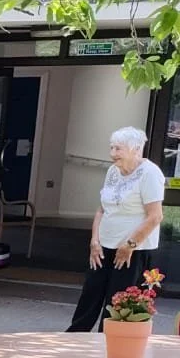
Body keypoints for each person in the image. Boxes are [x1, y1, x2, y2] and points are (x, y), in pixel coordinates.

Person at [67, 126, 164, 332]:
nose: (112, 154)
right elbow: (102, 209)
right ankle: (74, 338)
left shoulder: (150, 173)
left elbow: (155, 216)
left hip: (132, 251)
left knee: (118, 301)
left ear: (136, 149)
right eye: (111, 148)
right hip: (104, 246)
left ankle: (109, 343)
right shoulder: (113, 171)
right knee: (90, 294)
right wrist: (95, 240)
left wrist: (129, 245)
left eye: (118, 149)